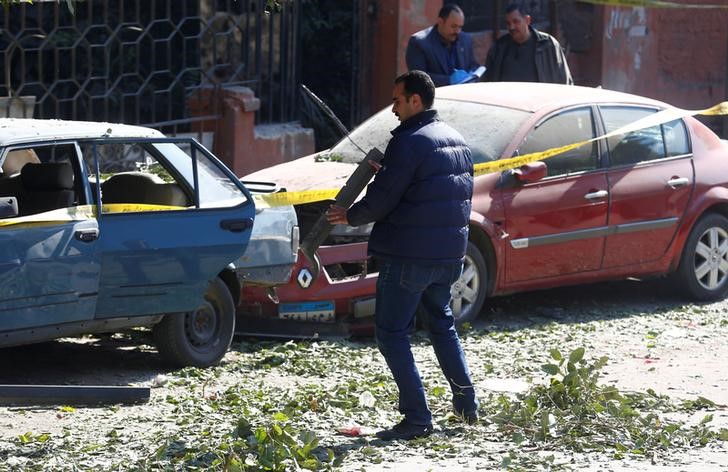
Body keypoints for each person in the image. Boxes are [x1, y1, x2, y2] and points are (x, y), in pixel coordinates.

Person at [326, 70, 478, 441]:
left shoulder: (410, 141)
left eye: (397, 100)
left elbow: (383, 198)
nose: (392, 109)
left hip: (409, 256)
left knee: (392, 333)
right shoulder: (456, 139)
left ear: (415, 100)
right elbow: (426, 189)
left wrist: (350, 214)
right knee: (442, 325)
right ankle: (466, 406)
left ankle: (416, 417)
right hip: (449, 258)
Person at [484, 1, 573, 84]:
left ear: (527, 20)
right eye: (508, 23)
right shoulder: (499, 48)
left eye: (516, 22)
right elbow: (488, 81)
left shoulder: (548, 45)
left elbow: (565, 81)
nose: (511, 27)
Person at [405, 4, 481, 87]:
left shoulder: (465, 39)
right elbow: (418, 77)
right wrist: (449, 80)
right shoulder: (419, 42)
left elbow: (473, 64)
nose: (457, 31)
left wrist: (472, 74)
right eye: (453, 26)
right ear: (440, 22)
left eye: (460, 27)